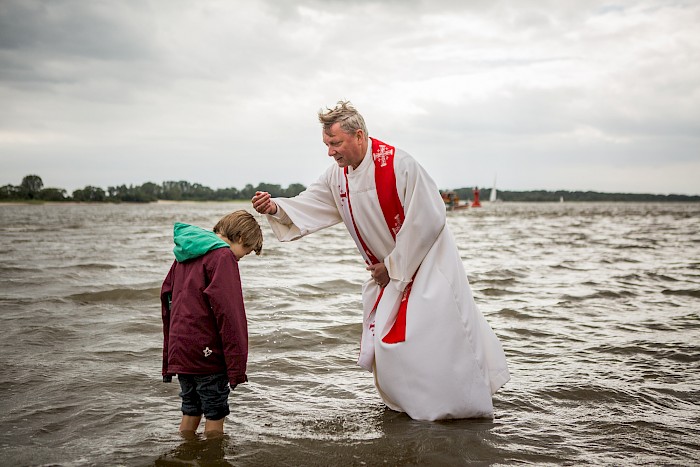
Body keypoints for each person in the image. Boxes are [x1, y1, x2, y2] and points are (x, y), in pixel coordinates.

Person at [251, 101, 510, 421]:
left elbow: (429, 218)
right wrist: (275, 208)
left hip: (428, 264)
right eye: (327, 144)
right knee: (390, 346)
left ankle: (458, 408)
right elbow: (310, 204)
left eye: (335, 143)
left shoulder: (400, 165)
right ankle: (410, 408)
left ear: (359, 136)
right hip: (388, 272)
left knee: (438, 339)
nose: (330, 152)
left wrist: (393, 265)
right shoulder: (337, 177)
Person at [161, 210, 263, 436]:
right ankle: (214, 453)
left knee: (191, 408)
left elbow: (167, 297)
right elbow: (229, 313)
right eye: (245, 251)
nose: (240, 258)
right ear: (240, 237)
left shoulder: (185, 253)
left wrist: (170, 350)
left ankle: (185, 450)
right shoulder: (223, 256)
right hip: (207, 352)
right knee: (215, 413)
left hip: (182, 349)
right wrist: (236, 366)